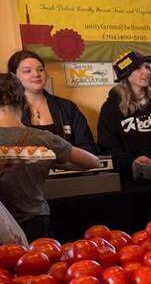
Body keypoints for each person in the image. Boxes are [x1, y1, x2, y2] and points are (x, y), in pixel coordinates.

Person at [0, 73, 100, 240]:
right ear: (24, 103)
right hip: (34, 222)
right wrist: (53, 160)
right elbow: (93, 161)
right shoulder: (41, 138)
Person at [97, 50, 151, 179]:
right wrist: (131, 162)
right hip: (136, 182)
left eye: (147, 67)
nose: (146, 72)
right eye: (138, 68)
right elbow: (108, 148)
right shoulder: (111, 109)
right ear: (125, 75)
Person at [6, 50, 98, 153]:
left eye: (40, 70)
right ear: (13, 76)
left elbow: (88, 146)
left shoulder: (68, 107)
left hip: (70, 168)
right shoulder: (7, 110)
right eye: (27, 71)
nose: (36, 74)